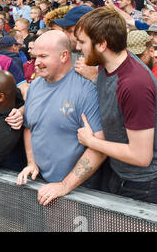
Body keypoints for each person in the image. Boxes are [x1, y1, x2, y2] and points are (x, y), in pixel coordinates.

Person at [75, 7, 157, 204]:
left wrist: (91, 141)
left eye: (82, 42)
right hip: (116, 173)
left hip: (140, 185)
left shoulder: (135, 84)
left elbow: (141, 156)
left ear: (102, 44)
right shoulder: (107, 66)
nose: (78, 48)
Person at [17, 30, 106, 206]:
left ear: (64, 55)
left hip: (79, 191)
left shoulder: (85, 89)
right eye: (35, 56)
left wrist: (65, 185)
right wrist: (31, 162)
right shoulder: (34, 86)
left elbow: (100, 146)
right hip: (42, 184)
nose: (37, 63)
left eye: (43, 56)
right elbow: (29, 127)